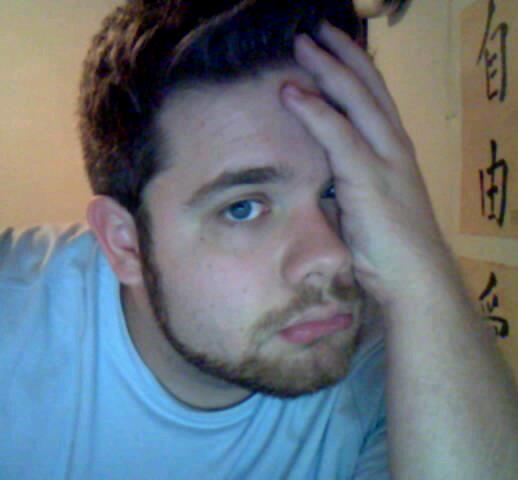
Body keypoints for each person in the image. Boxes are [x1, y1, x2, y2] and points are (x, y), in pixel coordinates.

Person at [1, 0, 517, 478]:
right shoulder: (16, 319)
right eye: (243, 208)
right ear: (125, 244)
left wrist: (421, 269)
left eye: (336, 190)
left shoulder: (395, 359)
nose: (332, 255)